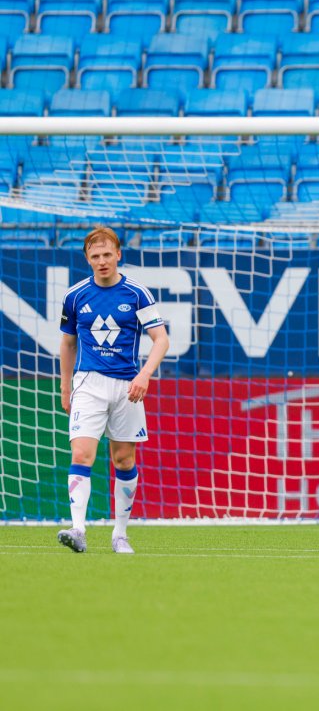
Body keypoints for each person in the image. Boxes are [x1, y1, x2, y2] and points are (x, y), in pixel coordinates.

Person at [57, 225, 170, 554]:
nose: (102, 261)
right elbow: (67, 343)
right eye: (95, 256)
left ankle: (120, 535)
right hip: (88, 384)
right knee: (82, 454)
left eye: (107, 254)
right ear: (87, 259)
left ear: (118, 254)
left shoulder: (137, 293)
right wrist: (65, 386)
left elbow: (161, 339)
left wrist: (144, 375)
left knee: (123, 460)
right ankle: (78, 530)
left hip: (127, 386)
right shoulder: (75, 296)